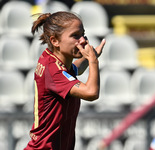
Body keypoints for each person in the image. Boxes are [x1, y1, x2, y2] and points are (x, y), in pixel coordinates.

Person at [24, 11, 106, 150]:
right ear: (55, 41)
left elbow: (74, 69)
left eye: (82, 34)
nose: (83, 40)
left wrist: (89, 58)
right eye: (75, 36)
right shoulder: (54, 70)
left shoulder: (52, 58)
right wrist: (93, 61)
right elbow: (91, 93)